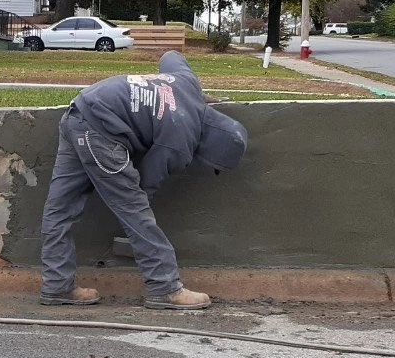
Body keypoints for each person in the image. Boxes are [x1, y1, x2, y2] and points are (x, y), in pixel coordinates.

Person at [39, 50, 248, 311]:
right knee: (135, 209)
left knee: (60, 208)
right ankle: (164, 287)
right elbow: (146, 184)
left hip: (78, 112)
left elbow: (170, 56)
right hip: (100, 132)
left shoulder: (188, 82)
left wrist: (192, 97)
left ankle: (56, 285)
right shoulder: (179, 143)